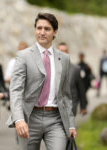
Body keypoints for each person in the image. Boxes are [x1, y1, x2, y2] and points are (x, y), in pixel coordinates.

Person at [7, 13, 77, 150]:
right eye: (39, 28)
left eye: (47, 29)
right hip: (30, 118)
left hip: (56, 119)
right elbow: (15, 90)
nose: (42, 32)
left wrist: (71, 124)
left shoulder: (64, 59)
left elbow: (66, 95)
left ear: (55, 32)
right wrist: (19, 119)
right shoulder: (23, 56)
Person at [58, 42, 87, 116]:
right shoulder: (50, 69)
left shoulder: (76, 69)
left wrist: (83, 106)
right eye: (61, 51)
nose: (63, 53)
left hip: (71, 106)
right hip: (55, 108)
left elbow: (81, 89)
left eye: (65, 51)